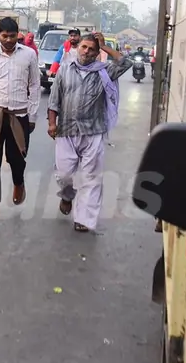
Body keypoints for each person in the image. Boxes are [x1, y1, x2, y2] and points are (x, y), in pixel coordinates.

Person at [47, 33, 132, 232]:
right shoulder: (65, 70)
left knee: (91, 177)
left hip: (93, 131)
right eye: (84, 47)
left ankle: (84, 219)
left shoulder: (104, 71)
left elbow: (125, 63)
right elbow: (54, 99)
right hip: (67, 130)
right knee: (64, 173)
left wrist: (104, 46)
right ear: (78, 47)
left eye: (92, 49)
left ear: (97, 53)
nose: (87, 51)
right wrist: (52, 123)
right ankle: (67, 195)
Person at [0, 17, 41, 220]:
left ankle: (18, 182)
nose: (9, 40)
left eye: (12, 36)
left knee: (16, 159)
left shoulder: (28, 55)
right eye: (5, 36)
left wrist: (33, 116)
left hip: (19, 116)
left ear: (18, 34)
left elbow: (35, 86)